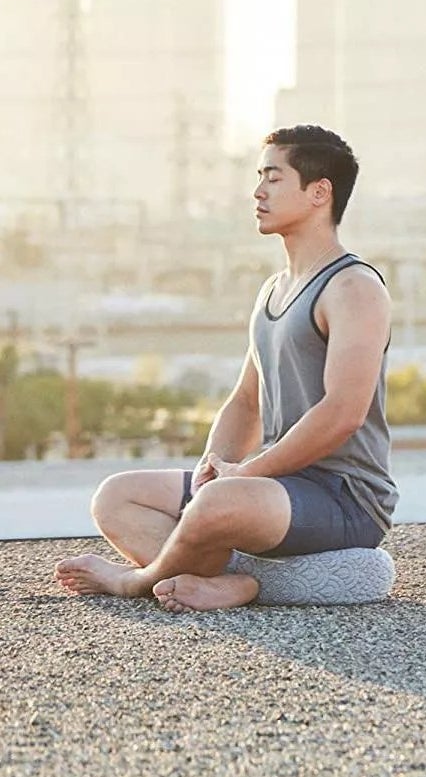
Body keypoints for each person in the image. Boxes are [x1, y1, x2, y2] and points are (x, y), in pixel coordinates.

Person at [55, 124, 396, 612]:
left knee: (218, 505)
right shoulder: (273, 290)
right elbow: (245, 402)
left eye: (274, 178)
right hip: (272, 487)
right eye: (260, 176)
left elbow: (343, 413)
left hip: (344, 497)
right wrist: (211, 469)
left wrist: (243, 476)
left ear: (320, 192)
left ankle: (137, 581)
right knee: (116, 497)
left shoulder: (353, 288)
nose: (258, 191)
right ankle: (230, 584)